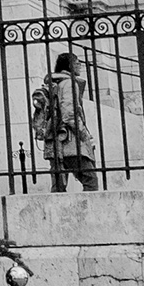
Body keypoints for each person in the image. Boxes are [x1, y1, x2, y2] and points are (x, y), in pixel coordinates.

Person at [28, 51, 101, 191]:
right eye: (76, 61)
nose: (79, 64)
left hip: (53, 142)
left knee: (58, 186)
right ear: (68, 65)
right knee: (90, 180)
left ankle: (56, 213)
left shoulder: (54, 83)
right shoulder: (68, 83)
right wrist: (84, 134)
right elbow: (69, 114)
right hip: (69, 142)